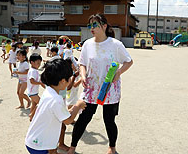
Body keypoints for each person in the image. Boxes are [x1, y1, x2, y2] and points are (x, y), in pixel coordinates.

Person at [67, 14, 133, 154]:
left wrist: (119, 72)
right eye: (90, 25)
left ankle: (112, 147)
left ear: (104, 26)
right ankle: (72, 147)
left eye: (95, 25)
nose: (92, 28)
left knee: (109, 120)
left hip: (110, 89)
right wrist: (83, 76)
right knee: (83, 118)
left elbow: (129, 61)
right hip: (90, 88)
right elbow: (82, 63)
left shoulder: (115, 44)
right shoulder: (87, 44)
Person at [25, 59, 86, 154]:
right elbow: (67, 120)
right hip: (40, 146)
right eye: (69, 78)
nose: (70, 81)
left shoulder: (48, 90)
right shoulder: (56, 99)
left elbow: (62, 114)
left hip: (35, 139)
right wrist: (78, 106)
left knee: (53, 151)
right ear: (62, 81)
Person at [27, 53, 45, 121]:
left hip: (33, 92)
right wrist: (40, 83)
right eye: (37, 63)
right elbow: (32, 81)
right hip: (32, 92)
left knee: (34, 105)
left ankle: (31, 117)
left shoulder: (35, 70)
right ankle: (31, 115)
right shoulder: (32, 71)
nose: (39, 65)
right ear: (32, 62)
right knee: (41, 104)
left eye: (40, 63)